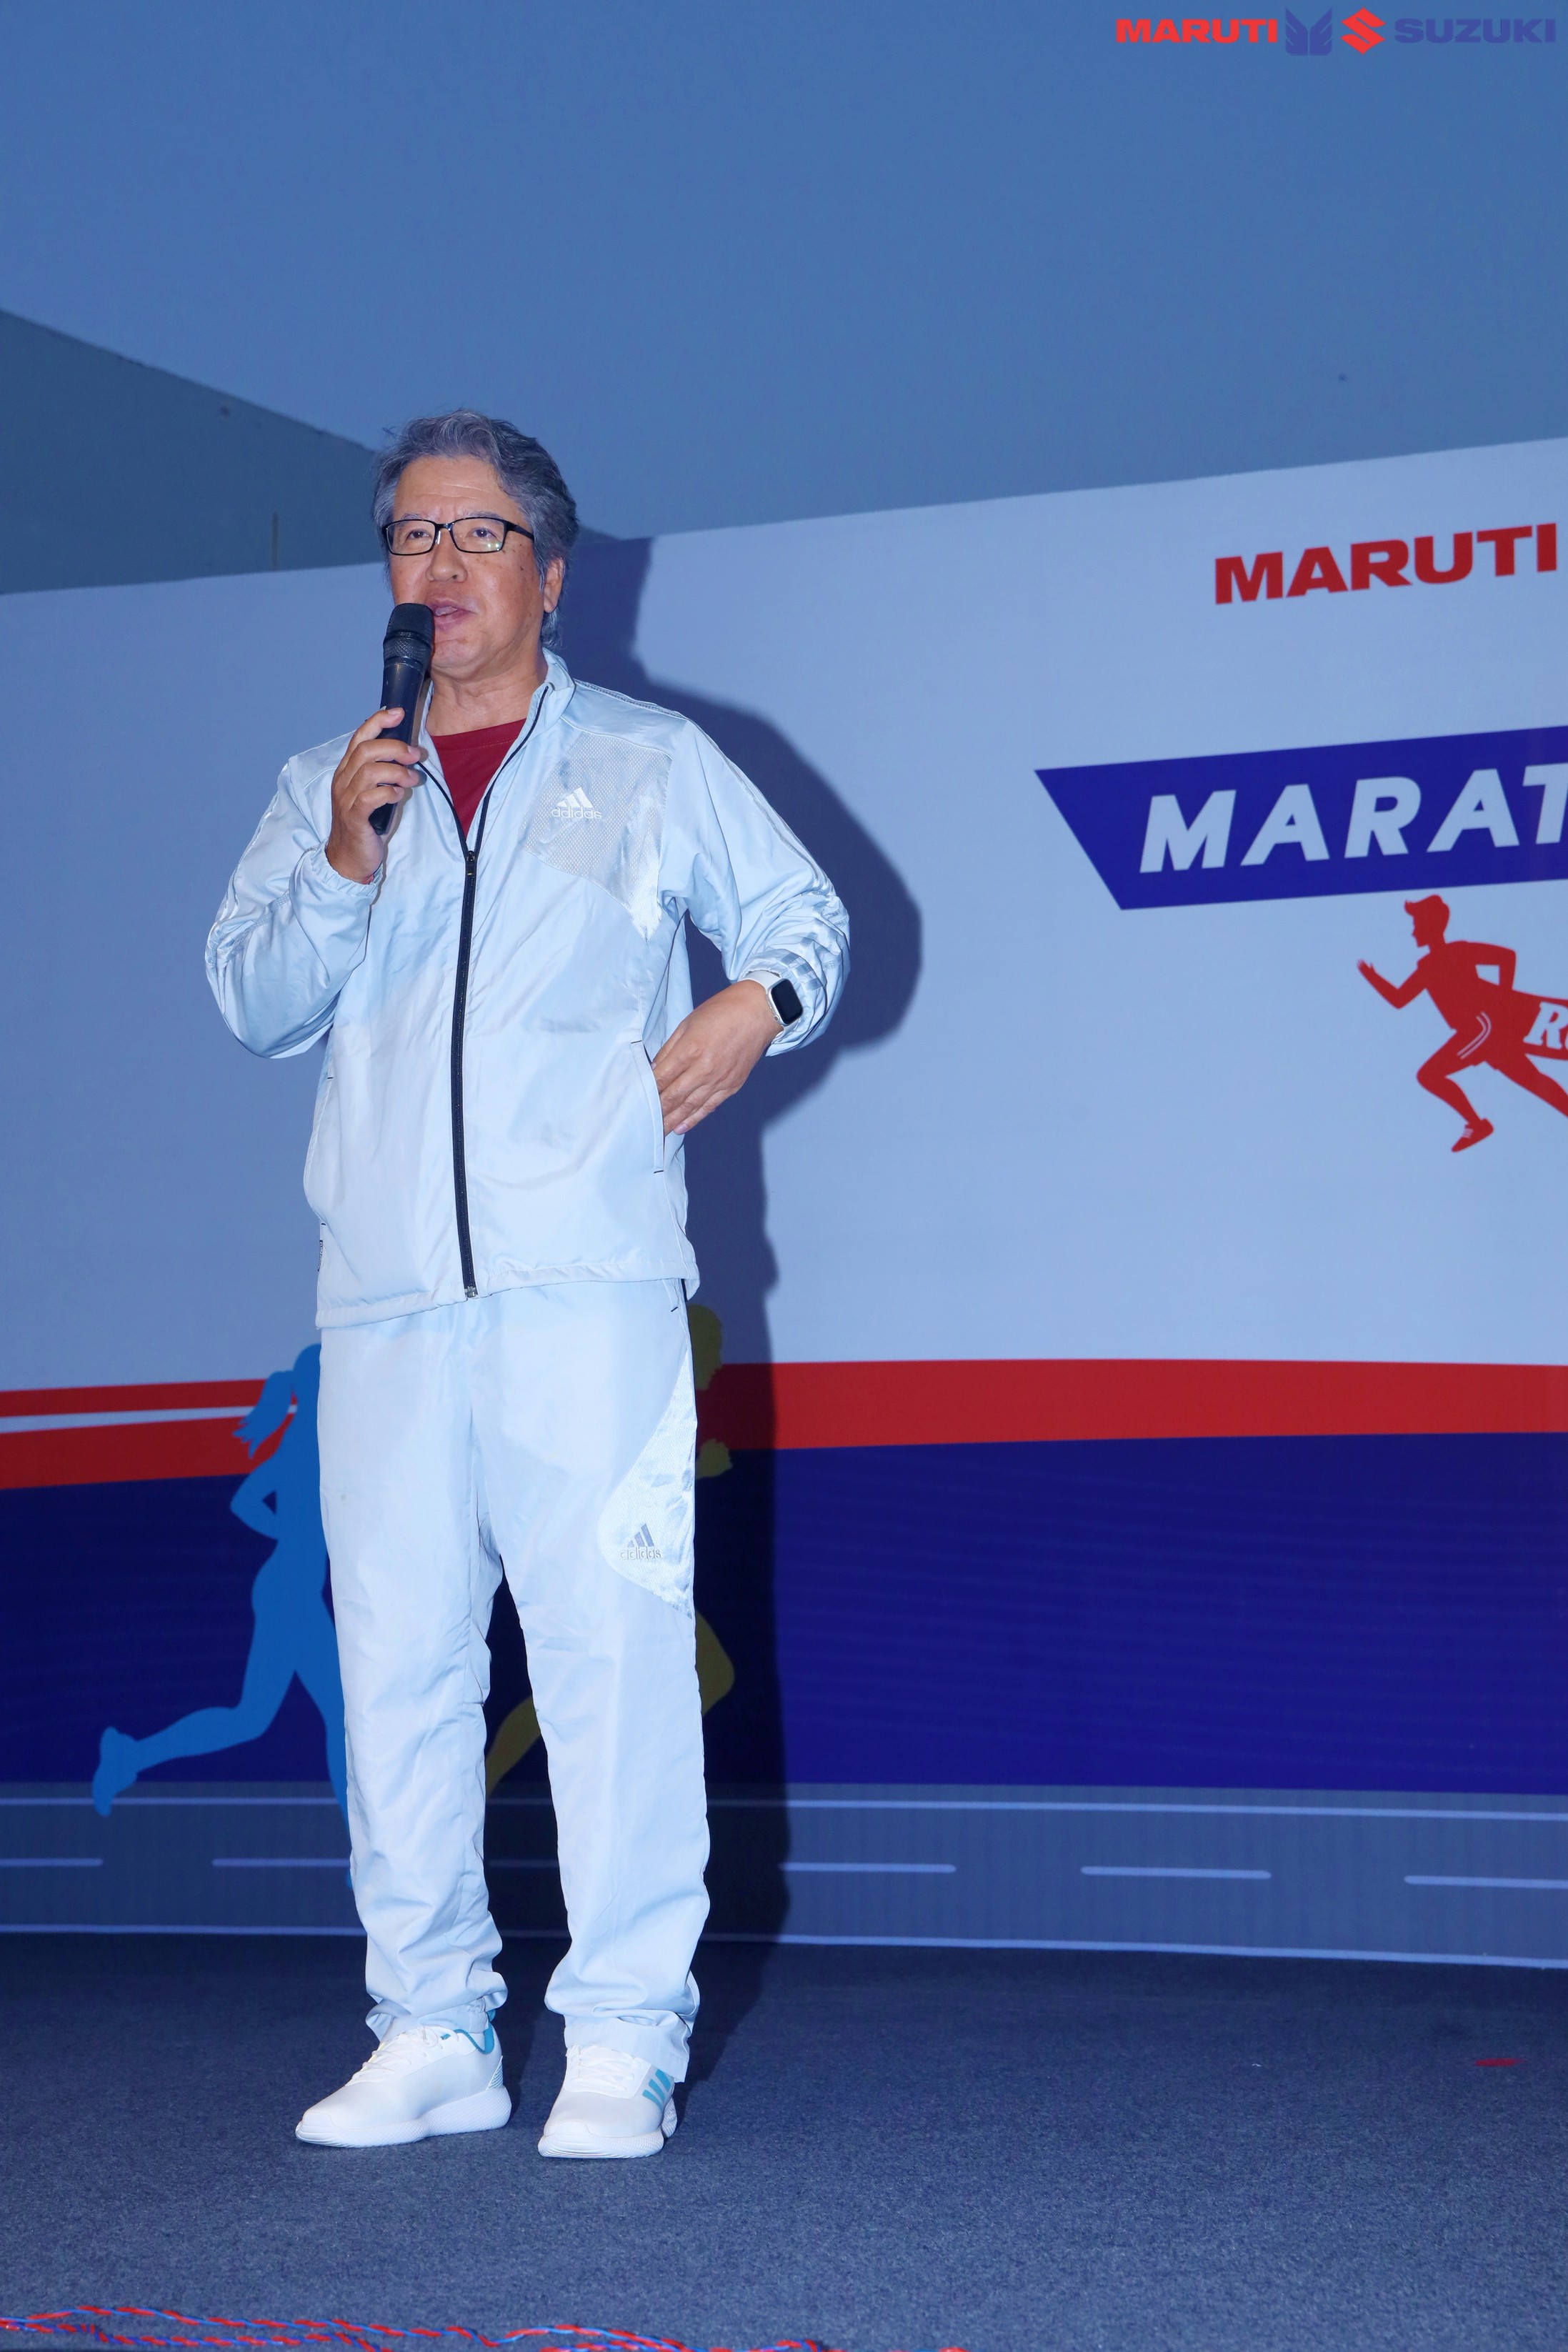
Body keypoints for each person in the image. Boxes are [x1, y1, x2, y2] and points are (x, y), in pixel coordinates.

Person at [206, 409, 848, 2157]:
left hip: (588, 1291)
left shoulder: (646, 760)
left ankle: (624, 2036)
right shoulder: (329, 780)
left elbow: (806, 922)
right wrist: (344, 859)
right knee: (398, 1669)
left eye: (477, 535)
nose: (440, 565)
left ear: (549, 576)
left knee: (607, 1659)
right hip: (385, 1303)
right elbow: (252, 999)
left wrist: (753, 1001)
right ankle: (430, 2026)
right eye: (412, 536)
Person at [91, 1344, 346, 1822]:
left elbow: (245, 1501)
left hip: (287, 1590)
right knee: (332, 1718)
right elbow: (246, 1502)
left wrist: (294, 1534)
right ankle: (363, 1848)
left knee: (252, 1719)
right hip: (290, 1593)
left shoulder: (304, 1438)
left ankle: (131, 1756)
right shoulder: (309, 1442)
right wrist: (295, 1535)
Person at [1359, 895, 1568, 1151]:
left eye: (1417, 924)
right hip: (1483, 1032)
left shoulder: (1458, 951)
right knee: (1533, 1080)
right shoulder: (1427, 966)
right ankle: (1478, 1125)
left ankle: (1476, 1125)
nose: (1413, 932)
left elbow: (1506, 957)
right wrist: (1372, 976)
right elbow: (1399, 999)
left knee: (1429, 1075)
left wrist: (1502, 1001)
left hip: (1480, 1028)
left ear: (1431, 925)